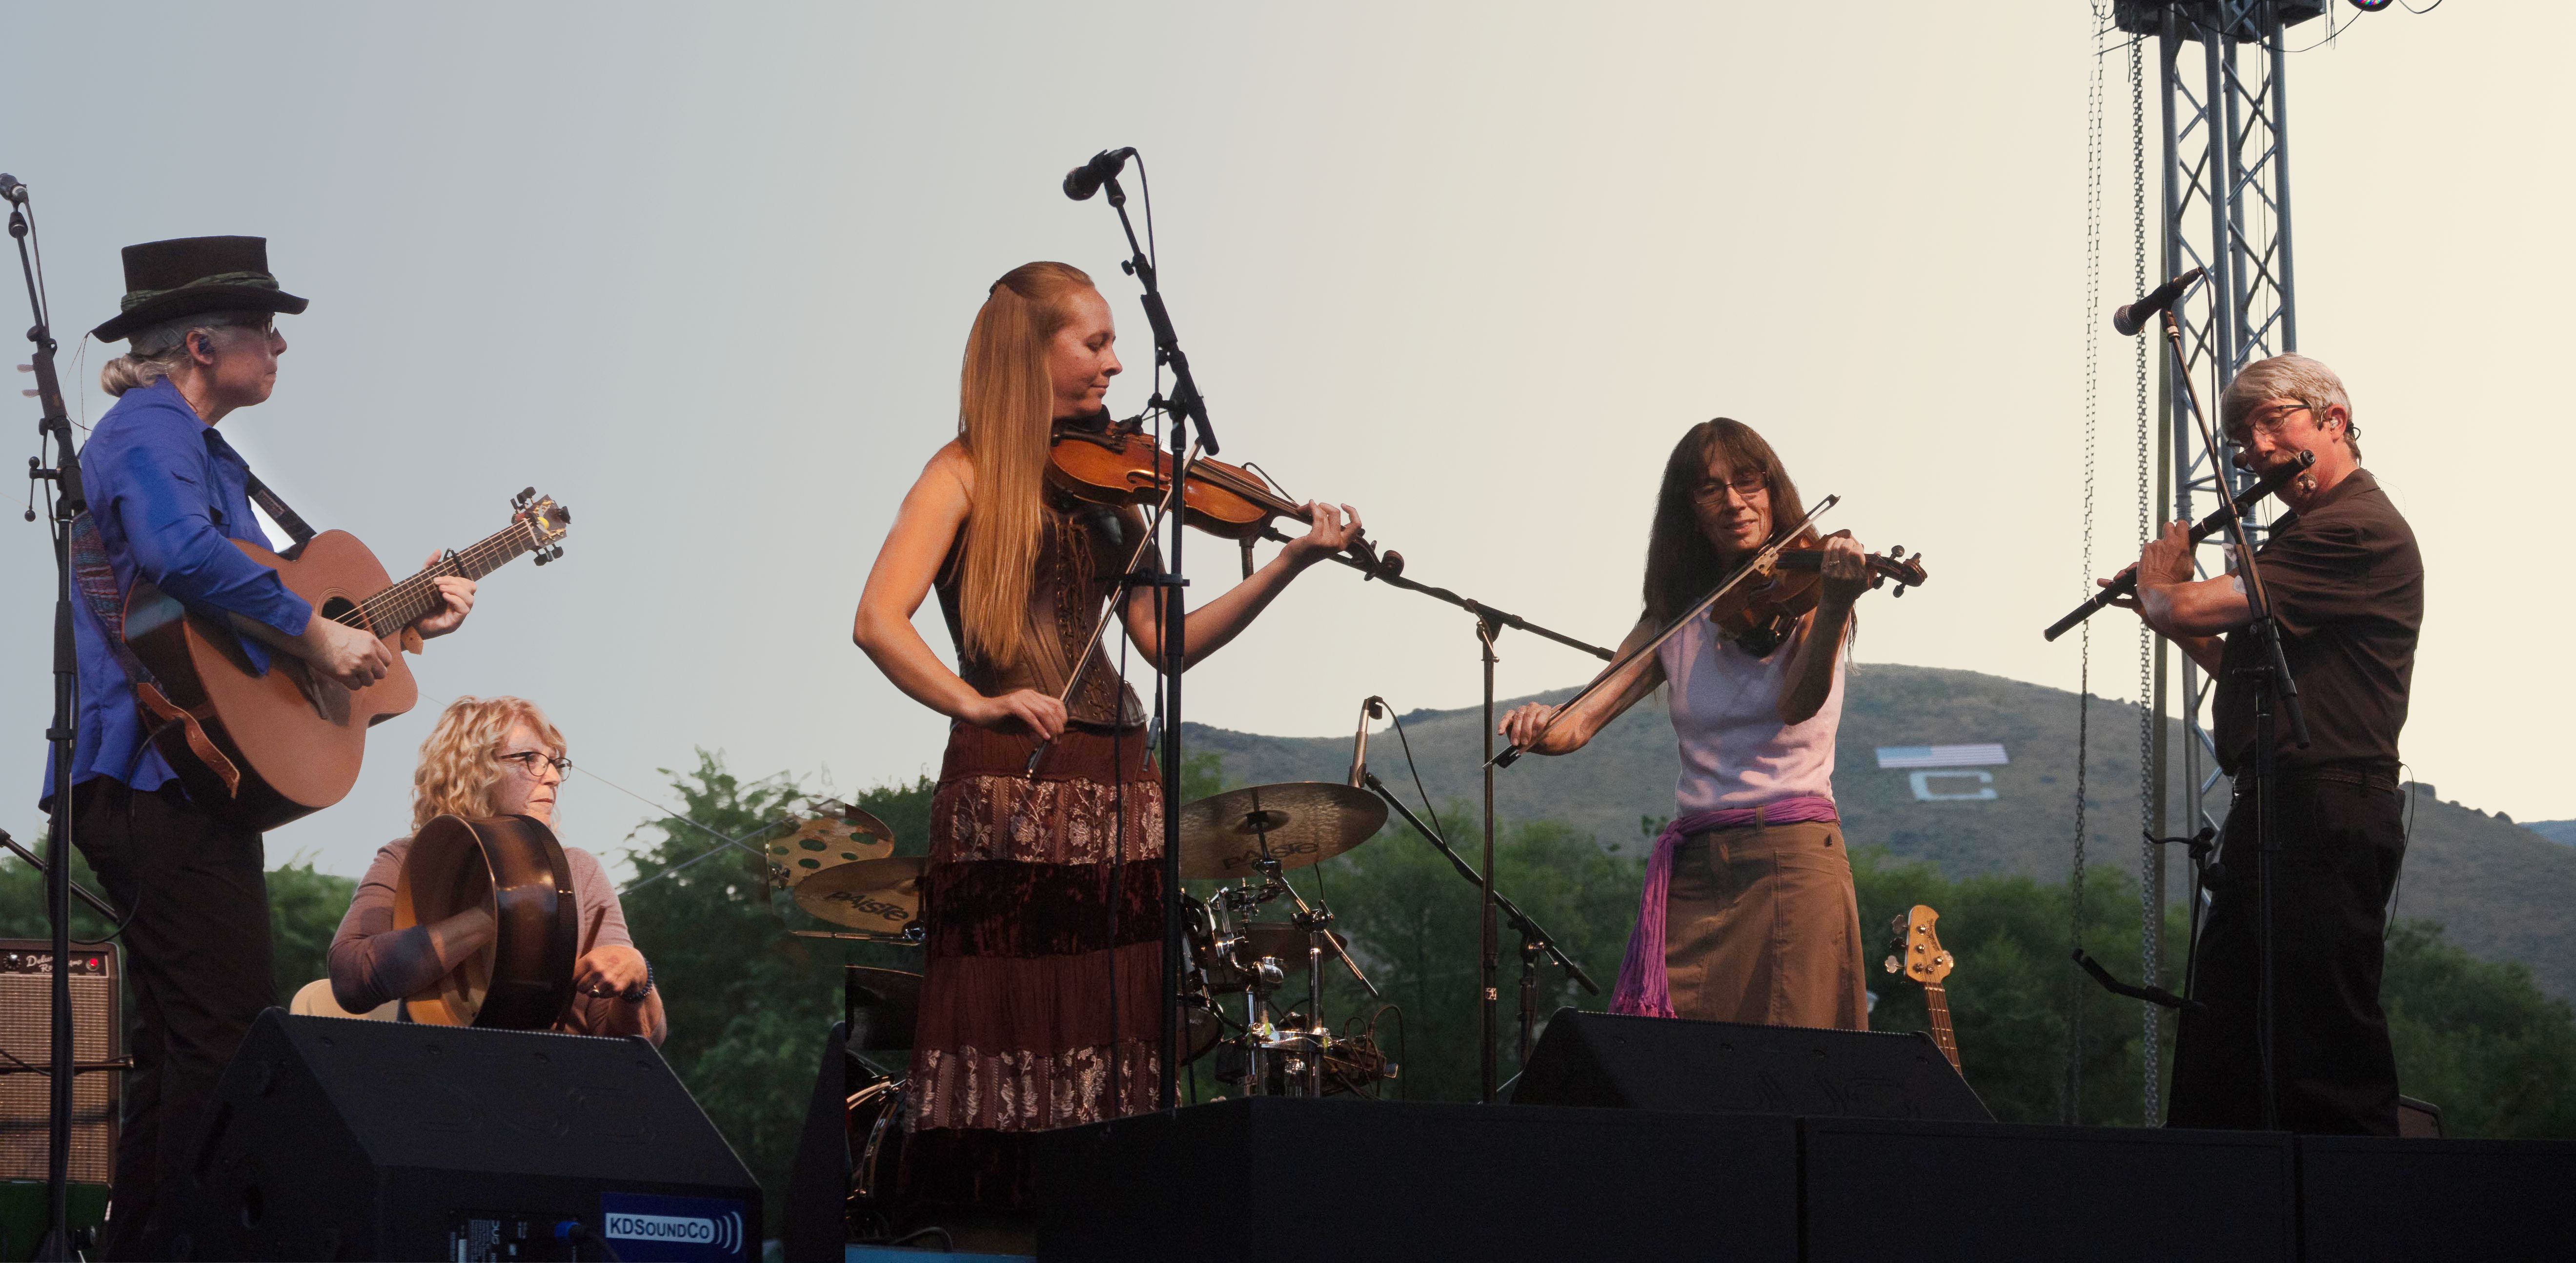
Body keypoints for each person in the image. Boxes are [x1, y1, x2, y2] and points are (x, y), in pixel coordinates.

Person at [851, 262, 1361, 1216]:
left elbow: (1164, 646)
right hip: (1010, 782)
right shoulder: (957, 470)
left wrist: (1288, 560)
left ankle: (1112, 1221)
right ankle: (999, 1229)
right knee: (1009, 1022)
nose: (1117, 364)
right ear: (1027, 352)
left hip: (1121, 781)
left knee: (1116, 1019)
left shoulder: (1110, 477)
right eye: (1093, 342)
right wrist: (973, 702)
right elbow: (878, 618)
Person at [46, 237, 475, 1257]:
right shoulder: (149, 429)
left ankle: (147, 1243)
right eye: (262, 330)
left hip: (188, 779)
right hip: (155, 776)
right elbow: (177, 553)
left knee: (186, 1045)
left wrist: (403, 616)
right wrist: (315, 633)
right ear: (201, 342)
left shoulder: (209, 451)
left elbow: (275, 596)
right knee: (228, 1037)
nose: (281, 345)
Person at [2115, 353, 2420, 1135]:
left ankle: (2355, 1220)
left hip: (2326, 804)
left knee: (2321, 1038)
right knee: (2227, 1035)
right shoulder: (2299, 534)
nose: (2251, 447)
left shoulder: (2355, 529)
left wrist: (2161, 590)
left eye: (2269, 421)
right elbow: (2243, 670)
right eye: (2237, 436)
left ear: (2332, 422)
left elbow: (2188, 608)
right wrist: (2162, 610)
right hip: (2278, 809)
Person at [1499, 418, 1874, 1030]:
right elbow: (1576, 724)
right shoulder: (1673, 617)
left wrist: (1834, 603)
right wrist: (1539, 723)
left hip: (1790, 858)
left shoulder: (1808, 593)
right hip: (1698, 866)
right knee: (1673, 1062)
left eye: (1747, 482)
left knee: (1787, 1066)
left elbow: (1796, 703)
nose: (1733, 502)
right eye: (1709, 489)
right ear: (1688, 510)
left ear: (1772, 489)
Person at [325, 696, 665, 1041]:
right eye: (529, 759)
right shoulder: (405, 859)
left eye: (554, 763)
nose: (552, 778)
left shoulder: (578, 869)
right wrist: (495, 914)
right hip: (437, 1071)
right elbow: (351, 980)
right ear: (472, 770)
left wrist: (637, 979)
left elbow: (638, 1042)